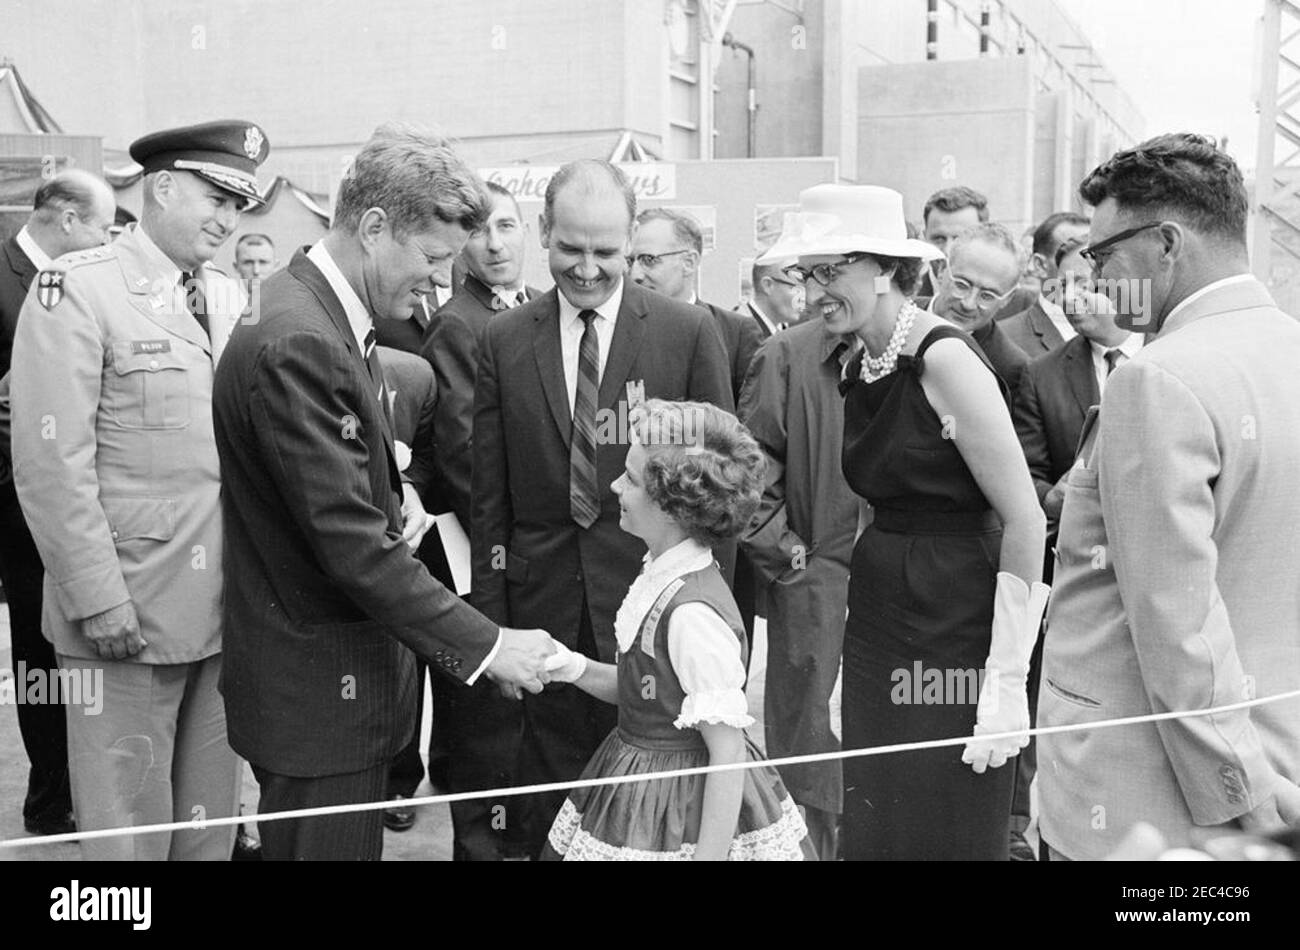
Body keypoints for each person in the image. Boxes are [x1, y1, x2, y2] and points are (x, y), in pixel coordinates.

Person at [212, 123, 555, 861]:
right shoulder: (300, 340)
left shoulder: (326, 318)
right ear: (373, 228)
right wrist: (489, 645)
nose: (438, 282)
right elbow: (355, 546)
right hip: (317, 705)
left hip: (337, 694)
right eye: (432, 258)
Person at [1038, 133, 1300, 861]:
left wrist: (1242, 797)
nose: (1093, 277)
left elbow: (1175, 620)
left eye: (1101, 254)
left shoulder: (1158, 378)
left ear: (1165, 243)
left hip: (1155, 807)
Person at [10, 121, 266, 860]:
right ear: (161, 187)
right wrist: (96, 596)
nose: (227, 219)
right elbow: (52, 464)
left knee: (205, 830)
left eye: (239, 204)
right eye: (215, 197)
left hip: (223, 611)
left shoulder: (227, 294)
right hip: (124, 611)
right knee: (127, 835)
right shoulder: (76, 290)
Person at [470, 159, 733, 859]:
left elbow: (719, 492)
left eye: (607, 252)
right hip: (542, 610)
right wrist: (497, 630)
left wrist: (714, 618)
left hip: (657, 618)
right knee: (554, 813)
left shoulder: (686, 333)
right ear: (544, 232)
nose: (587, 269)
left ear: (632, 240)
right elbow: (490, 498)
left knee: (649, 812)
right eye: (571, 249)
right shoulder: (501, 339)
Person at [779, 183, 1047, 860]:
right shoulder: (861, 362)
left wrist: (1008, 677)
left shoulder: (946, 357)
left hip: (955, 624)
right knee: (880, 813)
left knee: (944, 818)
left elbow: (1023, 516)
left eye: (829, 271)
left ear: (884, 268)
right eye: (805, 275)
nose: (813, 293)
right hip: (881, 617)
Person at [540, 399, 815, 860]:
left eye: (628, 478)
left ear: (670, 507)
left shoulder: (692, 616)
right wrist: (572, 667)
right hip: (636, 781)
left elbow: (727, 754)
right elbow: (647, 695)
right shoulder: (660, 576)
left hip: (678, 807)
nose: (613, 486)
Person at [0, 169, 115, 838]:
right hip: (17, 503)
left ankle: (78, 785)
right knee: (40, 651)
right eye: (102, 225)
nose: (107, 240)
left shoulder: (80, 284)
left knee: (74, 643)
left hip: (76, 493)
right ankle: (50, 798)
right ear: (67, 218)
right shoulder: (4, 274)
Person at [736, 290, 860, 860]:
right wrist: (795, 567)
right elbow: (751, 476)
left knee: (887, 757)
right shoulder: (785, 354)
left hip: (907, 594)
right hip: (817, 588)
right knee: (812, 755)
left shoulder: (931, 352)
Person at [629, 207, 761, 402]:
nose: (635, 275)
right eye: (629, 261)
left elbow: (747, 422)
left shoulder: (737, 333)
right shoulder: (619, 326)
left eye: (649, 260)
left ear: (689, 262)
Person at [929, 223, 1032, 398]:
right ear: (941, 271)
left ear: (1007, 298)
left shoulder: (1009, 368)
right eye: (961, 285)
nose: (968, 304)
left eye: (987, 296)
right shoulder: (897, 316)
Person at [1000, 212, 1091, 355]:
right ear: (1040, 265)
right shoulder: (1004, 341)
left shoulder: (1117, 331)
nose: (1091, 264)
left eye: (1095, 254)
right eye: (1068, 253)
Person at [745, 258, 804, 338]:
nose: (802, 298)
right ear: (768, 285)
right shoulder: (740, 334)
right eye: (796, 289)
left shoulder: (784, 330)